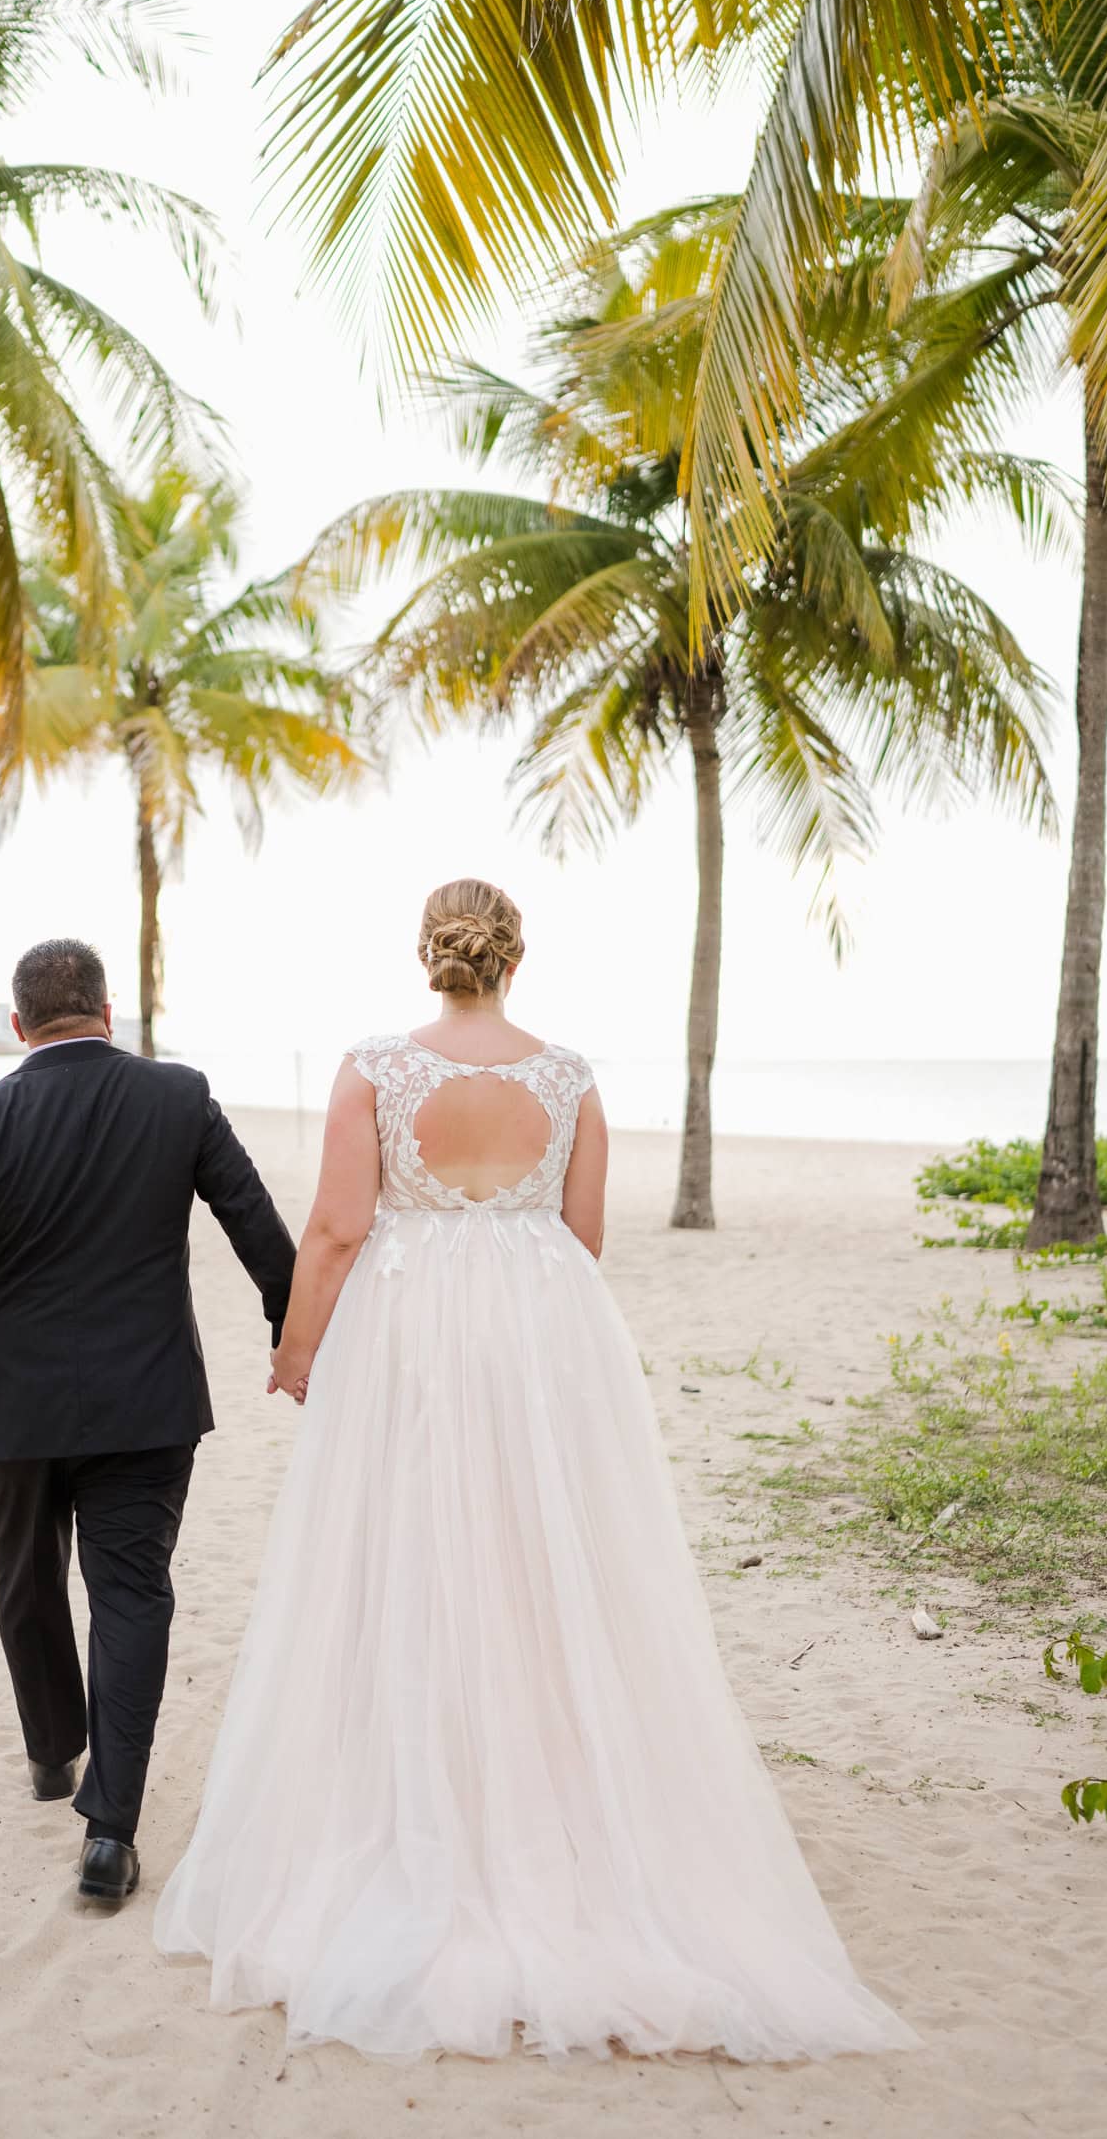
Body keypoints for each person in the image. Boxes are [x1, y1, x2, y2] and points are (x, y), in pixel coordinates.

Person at [155, 879, 917, 2063]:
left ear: (427, 953)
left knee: (399, 1554)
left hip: (409, 1334)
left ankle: (419, 1803)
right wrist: (512, 1287)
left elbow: (340, 1228)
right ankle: (552, 1801)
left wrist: (300, 1346)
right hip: (541, 1334)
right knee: (538, 1558)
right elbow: (582, 1233)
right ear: (517, 954)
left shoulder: (372, 1067)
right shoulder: (568, 1079)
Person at [0, 937, 295, 1902]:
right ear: (110, 1013)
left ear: (19, 1027)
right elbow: (258, 1230)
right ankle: (110, 1833)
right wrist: (292, 1331)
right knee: (132, 1593)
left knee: (26, 1579)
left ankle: (54, 1753)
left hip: (18, 1408)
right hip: (148, 1404)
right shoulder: (178, 1098)